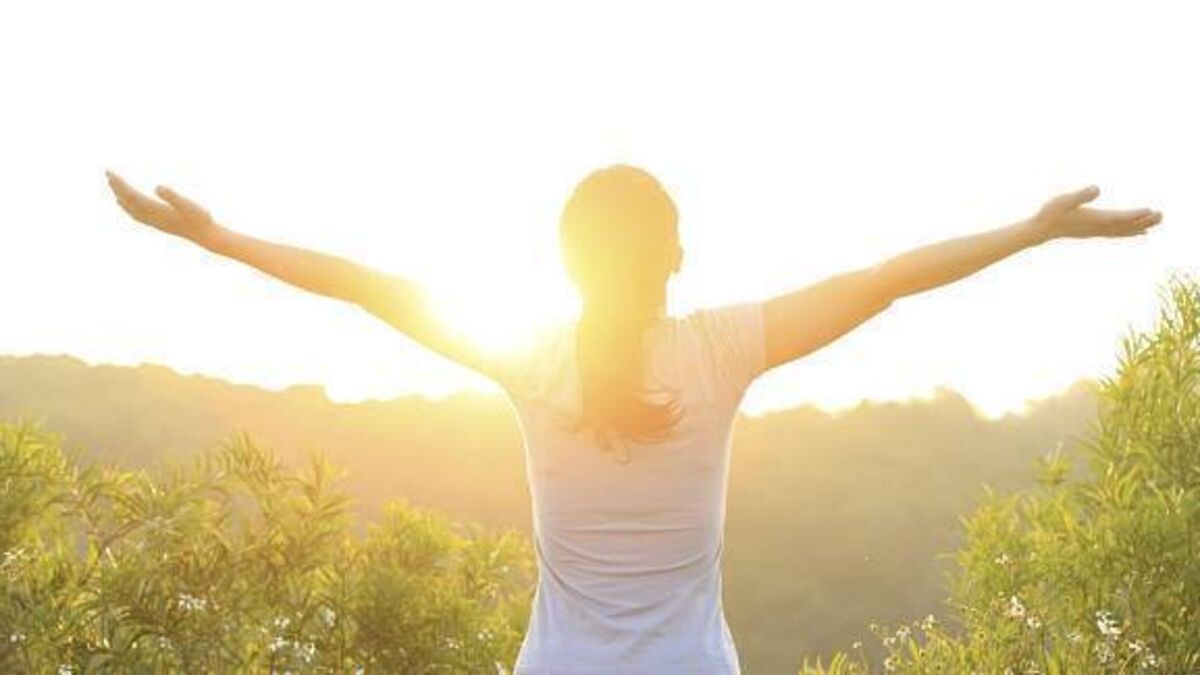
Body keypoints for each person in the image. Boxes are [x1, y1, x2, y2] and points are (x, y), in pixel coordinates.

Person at [104, 165, 1161, 674]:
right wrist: (1032, 230)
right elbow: (884, 280)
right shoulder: (721, 347)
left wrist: (217, 237)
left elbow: (366, 286)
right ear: (677, 256)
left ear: (566, 264)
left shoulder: (533, 356)